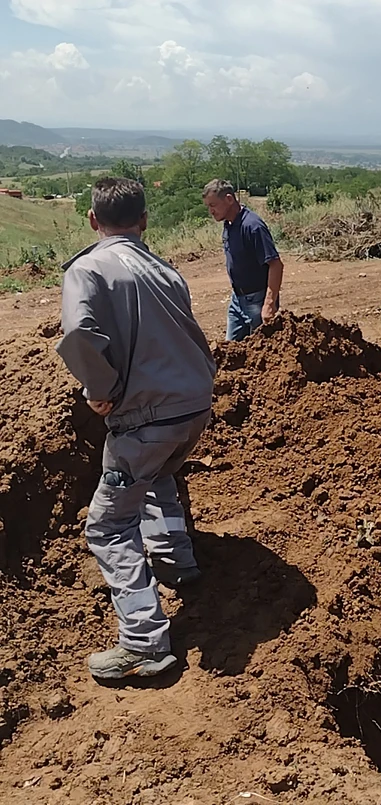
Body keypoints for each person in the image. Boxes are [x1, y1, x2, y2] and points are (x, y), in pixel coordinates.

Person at [56, 177, 217, 681]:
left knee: (108, 526)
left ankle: (145, 643)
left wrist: (97, 389)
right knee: (159, 476)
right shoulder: (164, 269)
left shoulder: (87, 269)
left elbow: (80, 332)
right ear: (144, 221)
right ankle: (176, 562)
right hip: (193, 406)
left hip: (146, 414)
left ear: (91, 220)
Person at [202, 179, 284, 341]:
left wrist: (268, 304)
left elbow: (276, 265)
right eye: (208, 206)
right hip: (237, 299)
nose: (210, 211)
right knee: (230, 352)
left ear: (229, 199)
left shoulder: (253, 226)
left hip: (257, 300)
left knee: (261, 351)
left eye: (213, 205)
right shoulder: (229, 224)